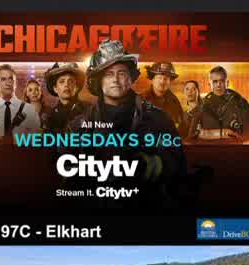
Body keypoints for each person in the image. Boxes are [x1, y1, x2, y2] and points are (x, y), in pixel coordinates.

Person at [70, 40, 185, 187]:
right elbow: (68, 176)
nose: (115, 80)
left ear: (131, 78)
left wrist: (150, 165)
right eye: (109, 74)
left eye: (121, 73)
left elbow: (177, 165)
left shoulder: (159, 119)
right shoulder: (79, 126)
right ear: (99, 81)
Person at [191, 66, 249, 143]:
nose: (218, 85)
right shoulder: (202, 106)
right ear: (209, 84)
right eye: (215, 81)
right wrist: (222, 133)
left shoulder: (240, 104)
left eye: (222, 81)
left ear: (227, 83)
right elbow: (192, 135)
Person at [41, 62, 87, 134]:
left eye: (71, 81)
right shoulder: (49, 117)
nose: (66, 85)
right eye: (62, 81)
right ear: (55, 88)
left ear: (76, 87)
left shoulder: (91, 111)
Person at [138, 62, 184, 128]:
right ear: (152, 79)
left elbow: (181, 126)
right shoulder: (140, 100)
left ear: (170, 81)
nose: (162, 82)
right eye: (159, 78)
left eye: (166, 78)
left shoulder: (175, 102)